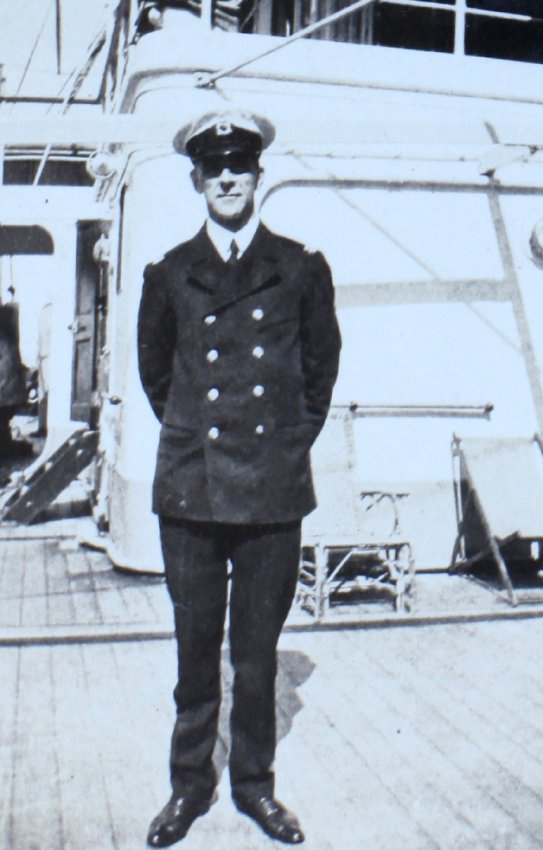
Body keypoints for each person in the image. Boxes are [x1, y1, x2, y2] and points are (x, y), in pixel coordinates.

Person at [137, 109, 341, 847]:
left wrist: (282, 447)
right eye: (214, 168)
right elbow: (158, 376)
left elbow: (319, 375)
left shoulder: (300, 268)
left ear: (258, 176)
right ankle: (189, 788)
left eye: (240, 167)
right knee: (196, 655)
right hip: (192, 493)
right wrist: (197, 439)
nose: (227, 178)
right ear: (197, 180)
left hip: (270, 494)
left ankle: (254, 788)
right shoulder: (167, 273)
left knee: (254, 664)